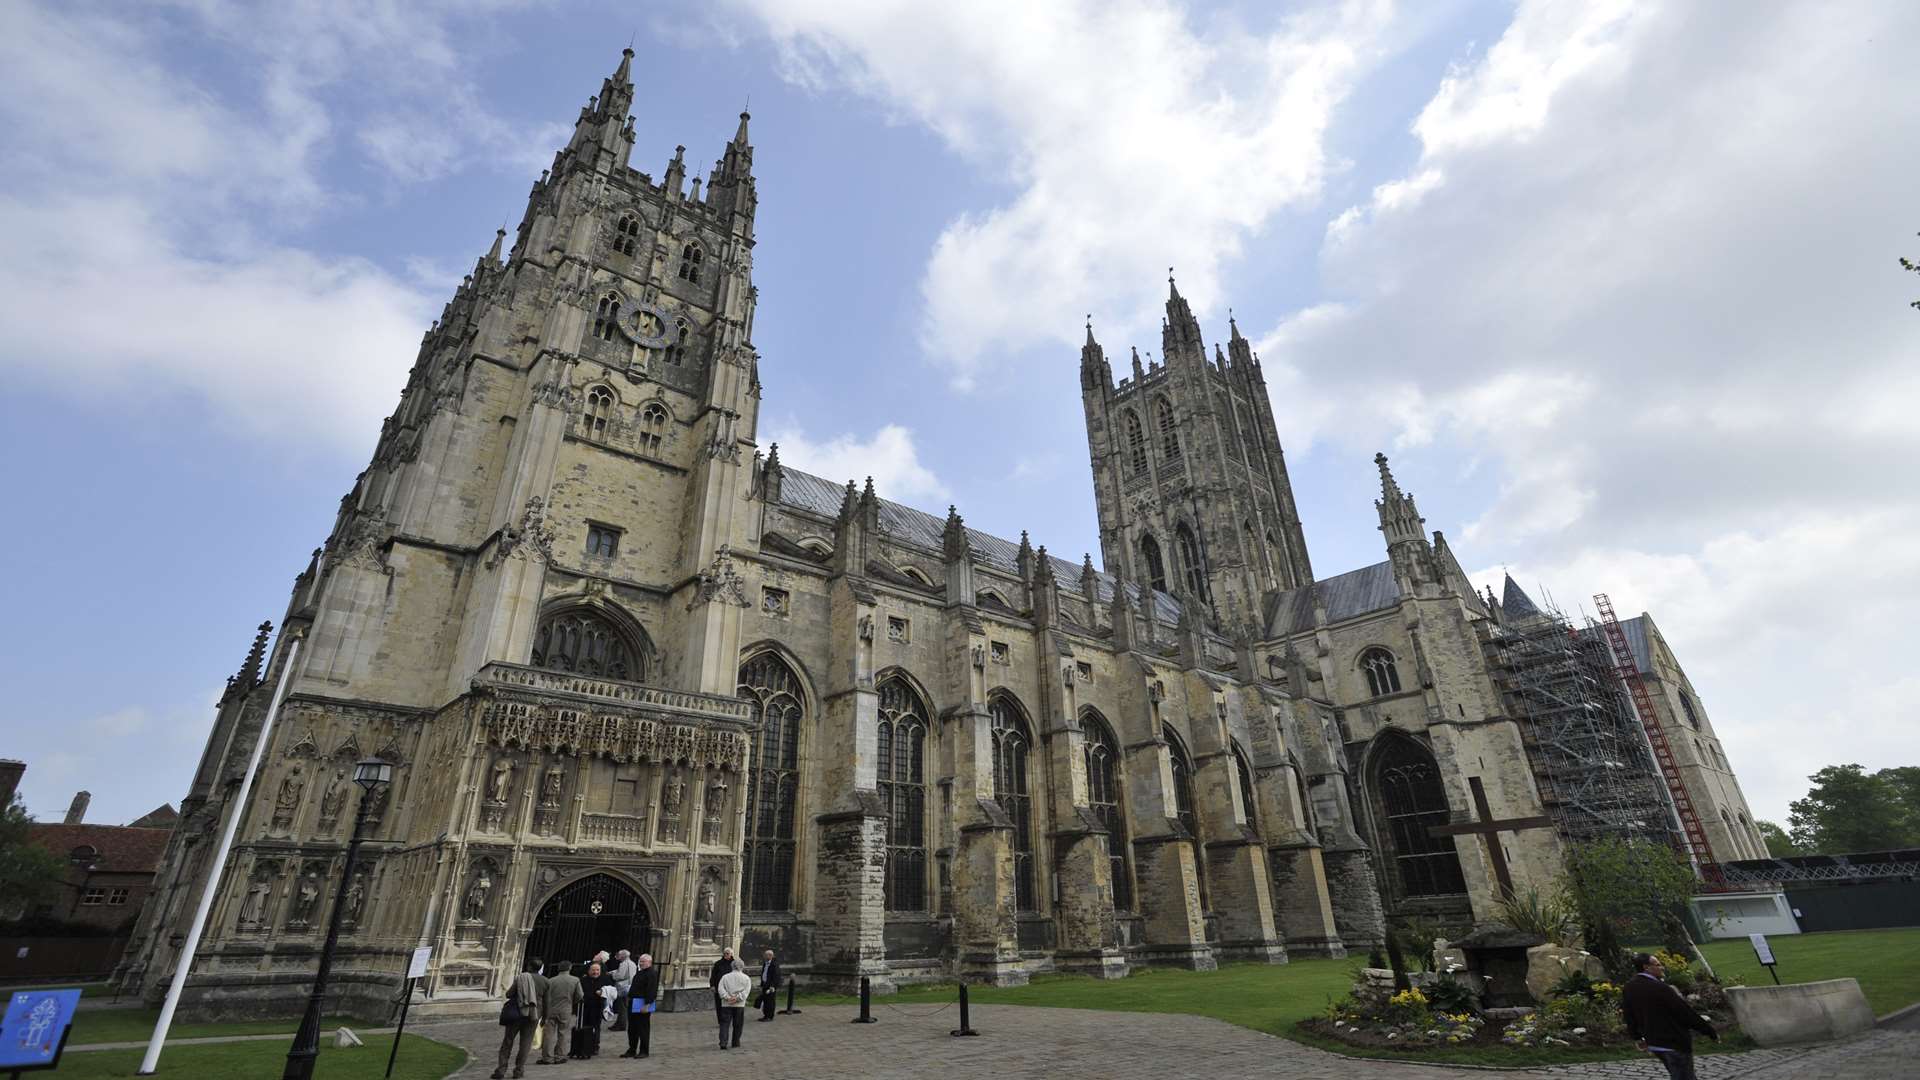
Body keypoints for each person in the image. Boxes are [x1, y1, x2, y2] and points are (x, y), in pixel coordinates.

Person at [1623, 951, 1718, 1080]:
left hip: (1654, 1043)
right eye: (1658, 964)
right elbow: (1685, 1013)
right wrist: (1709, 1031)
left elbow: (1629, 1015)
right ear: (1646, 967)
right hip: (1673, 1042)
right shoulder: (1661, 988)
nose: (1662, 967)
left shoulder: (1629, 987)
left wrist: (1637, 1037)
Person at [493, 957, 547, 1080]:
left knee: (508, 1042)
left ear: (529, 967)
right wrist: (545, 1017)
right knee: (525, 1044)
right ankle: (518, 1070)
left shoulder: (521, 978)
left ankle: (501, 1070)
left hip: (517, 1013)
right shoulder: (545, 981)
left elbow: (509, 994)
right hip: (534, 1015)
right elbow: (546, 1001)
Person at [537, 959, 584, 1066]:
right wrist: (571, 1002)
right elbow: (580, 995)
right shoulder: (575, 980)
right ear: (570, 968)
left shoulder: (551, 980)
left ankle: (546, 1057)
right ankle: (559, 1056)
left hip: (551, 1009)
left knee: (548, 1034)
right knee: (562, 1033)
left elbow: (545, 996)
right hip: (566, 1009)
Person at [621, 952, 661, 1058]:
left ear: (650, 962)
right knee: (632, 1028)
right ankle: (632, 1049)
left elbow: (651, 990)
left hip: (643, 1003)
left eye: (643, 962)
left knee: (642, 1028)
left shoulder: (652, 973)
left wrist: (647, 1004)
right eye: (640, 961)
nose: (641, 963)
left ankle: (644, 1050)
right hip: (634, 1001)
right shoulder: (640, 972)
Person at [575, 960, 613, 1059]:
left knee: (595, 1027)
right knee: (583, 1027)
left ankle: (595, 1046)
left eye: (597, 970)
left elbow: (612, 992)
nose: (595, 972)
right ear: (588, 971)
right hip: (584, 1007)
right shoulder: (583, 980)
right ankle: (581, 1046)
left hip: (597, 1007)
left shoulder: (605, 980)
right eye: (593, 970)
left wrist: (603, 993)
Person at [716, 958, 751, 1049]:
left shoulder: (725, 977)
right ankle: (735, 1042)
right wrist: (738, 998)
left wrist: (727, 997)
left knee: (724, 1024)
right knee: (738, 1024)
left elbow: (720, 989)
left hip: (726, 1004)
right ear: (742, 967)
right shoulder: (746, 978)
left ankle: (723, 1042)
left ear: (732, 966)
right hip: (739, 1005)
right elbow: (746, 991)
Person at [609, 949, 637, 1032]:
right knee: (624, 1006)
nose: (618, 956)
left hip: (623, 987)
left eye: (619, 955)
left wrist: (612, 974)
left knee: (622, 1007)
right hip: (630, 986)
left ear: (623, 956)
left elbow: (620, 976)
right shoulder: (632, 963)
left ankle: (621, 1025)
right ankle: (619, 1023)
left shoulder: (624, 964)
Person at [708, 947, 736, 1028]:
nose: (726, 955)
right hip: (719, 988)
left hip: (730, 988)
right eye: (725, 953)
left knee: (729, 1005)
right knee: (719, 1005)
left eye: (728, 953)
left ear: (731, 954)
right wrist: (712, 985)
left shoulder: (734, 964)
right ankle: (721, 1022)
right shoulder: (718, 963)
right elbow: (713, 975)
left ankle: (727, 1021)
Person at [757, 949, 783, 1021]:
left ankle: (769, 1016)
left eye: (765, 955)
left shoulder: (774, 964)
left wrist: (772, 986)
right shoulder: (766, 963)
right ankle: (766, 1015)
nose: (764, 956)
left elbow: (776, 976)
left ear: (770, 956)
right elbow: (764, 973)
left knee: (770, 1001)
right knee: (765, 1001)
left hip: (771, 986)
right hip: (765, 984)